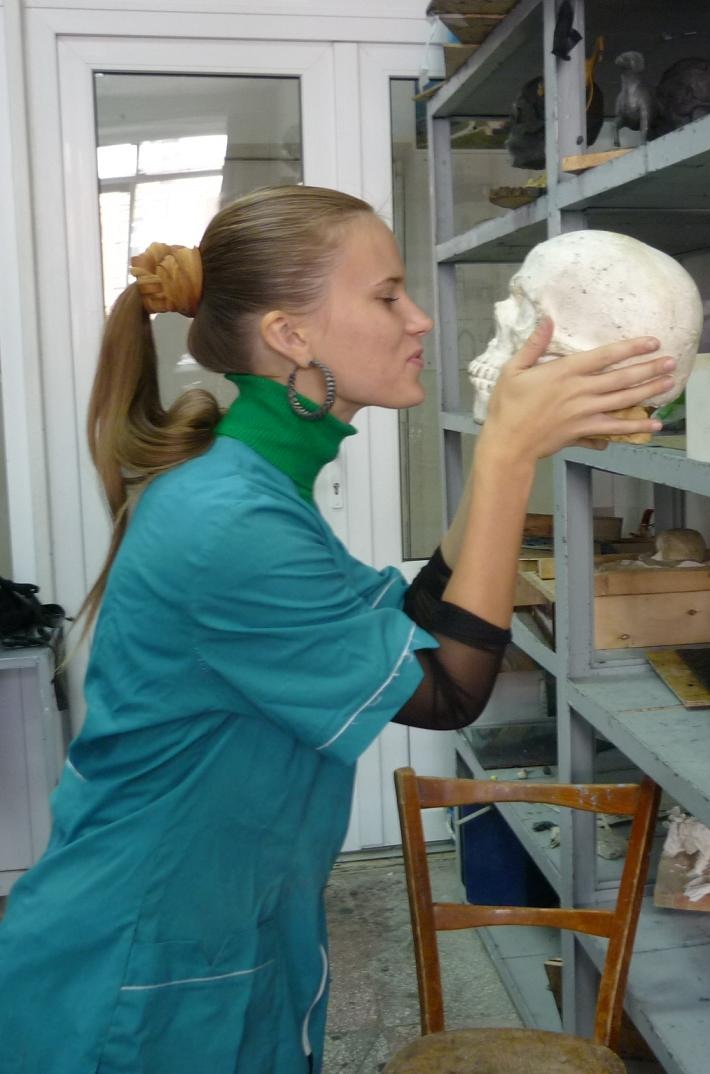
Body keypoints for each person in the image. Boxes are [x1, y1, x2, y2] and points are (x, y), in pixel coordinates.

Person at [0, 185, 674, 1074]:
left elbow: (414, 620)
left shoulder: (254, 488)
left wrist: (507, 457)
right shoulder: (228, 520)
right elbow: (449, 691)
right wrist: (508, 458)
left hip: (216, 927)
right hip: (136, 969)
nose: (420, 319)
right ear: (291, 335)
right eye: (388, 294)